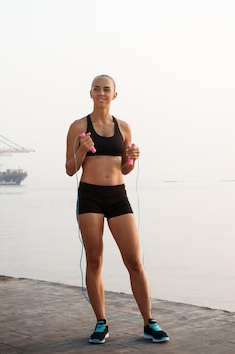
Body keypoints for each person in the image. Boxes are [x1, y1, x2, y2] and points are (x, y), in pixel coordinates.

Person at [65, 75, 169, 344]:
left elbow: (124, 167)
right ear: (90, 93)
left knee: (134, 260)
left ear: (115, 95)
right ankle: (101, 322)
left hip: (118, 196)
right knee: (95, 259)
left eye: (106, 89)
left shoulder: (124, 127)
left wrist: (131, 161)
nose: (101, 93)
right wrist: (83, 151)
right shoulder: (78, 126)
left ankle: (149, 321)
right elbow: (69, 169)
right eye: (97, 89)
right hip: (90, 196)